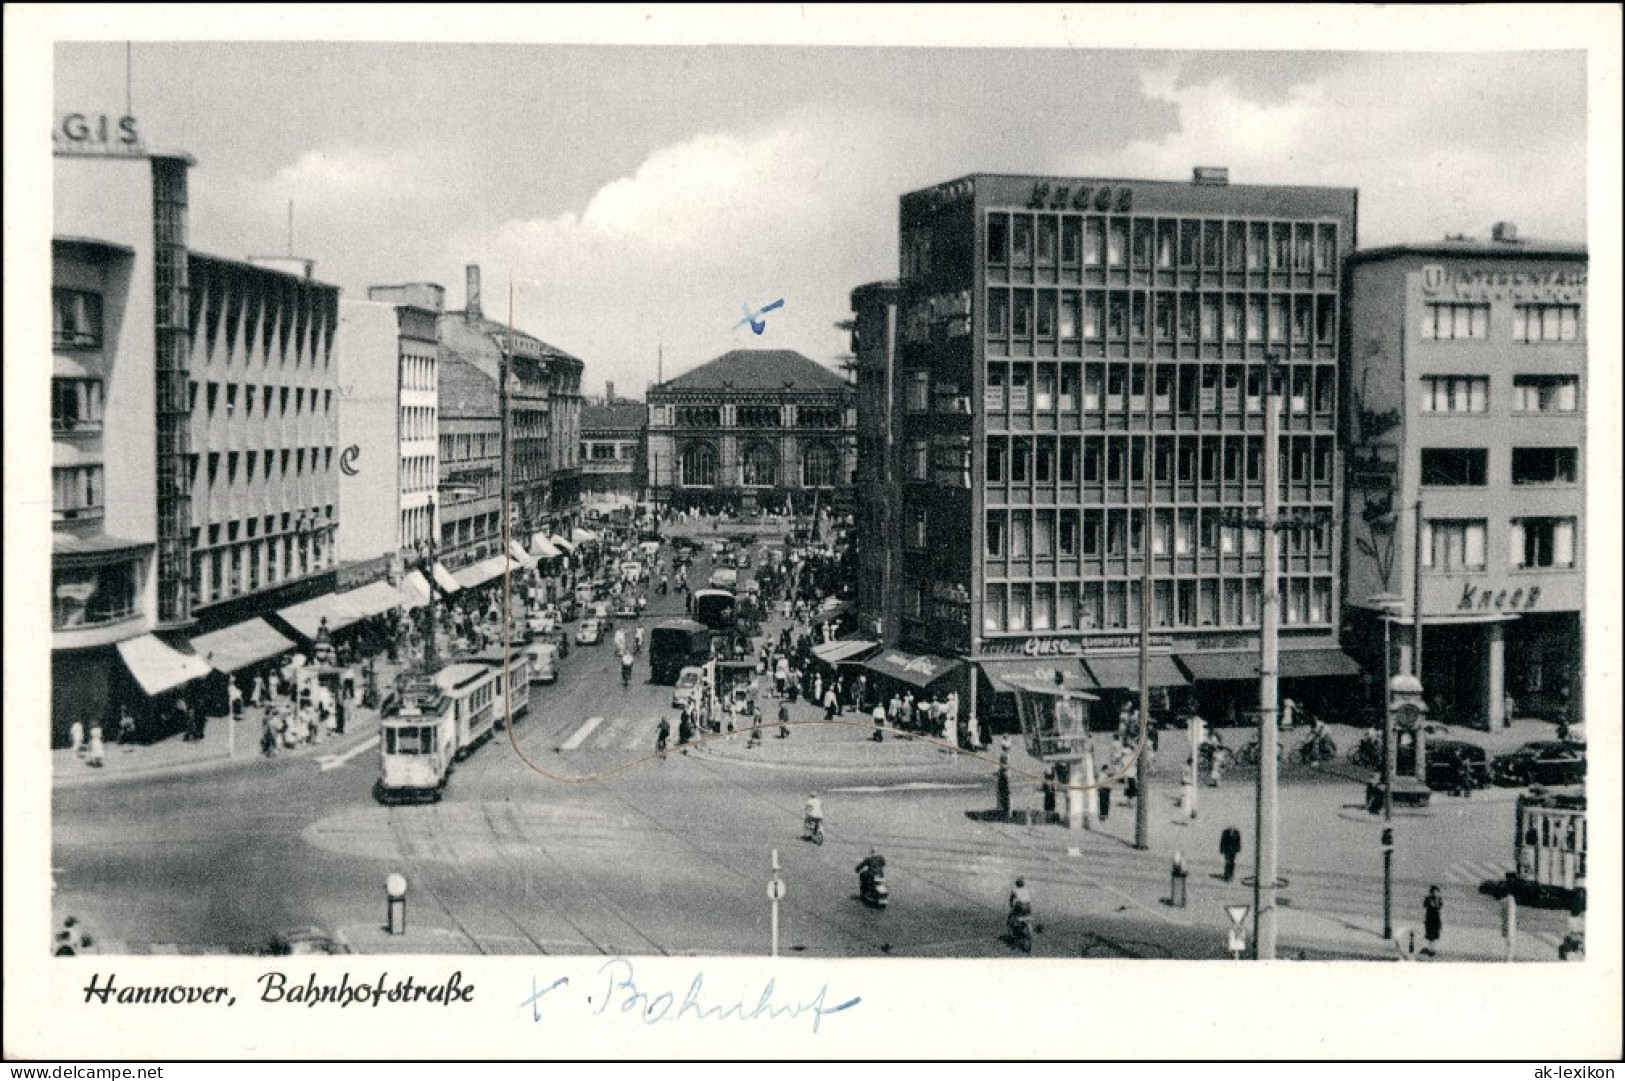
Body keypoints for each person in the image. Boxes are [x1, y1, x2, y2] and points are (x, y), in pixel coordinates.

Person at [1422, 885, 1444, 956]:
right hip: (1429, 918)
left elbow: (1439, 906)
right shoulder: (1428, 898)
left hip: (1436, 919)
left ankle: (1432, 949)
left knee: (1434, 936)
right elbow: (1424, 905)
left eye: (1436, 892)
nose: (1435, 893)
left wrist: (1436, 903)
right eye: (1433, 892)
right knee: (1429, 935)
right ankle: (1430, 949)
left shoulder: (1439, 899)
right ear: (1431, 892)